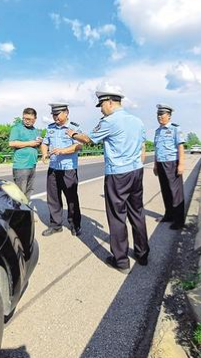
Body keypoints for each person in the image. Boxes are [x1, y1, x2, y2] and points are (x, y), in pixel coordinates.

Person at [68, 91, 149, 274]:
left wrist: (73, 133)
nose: (101, 110)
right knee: (137, 212)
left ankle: (121, 261)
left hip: (118, 175)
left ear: (110, 103)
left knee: (117, 216)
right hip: (136, 171)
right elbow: (142, 146)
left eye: (102, 105)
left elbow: (88, 139)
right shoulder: (137, 121)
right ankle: (142, 254)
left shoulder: (110, 121)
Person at [40, 103, 83, 237]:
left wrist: (63, 151)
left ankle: (75, 225)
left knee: (71, 198)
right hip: (53, 168)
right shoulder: (50, 128)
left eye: (57, 114)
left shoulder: (74, 128)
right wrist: (44, 153)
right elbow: (45, 142)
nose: (55, 117)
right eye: (53, 115)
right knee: (53, 198)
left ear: (66, 112)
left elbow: (79, 146)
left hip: (68, 168)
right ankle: (55, 225)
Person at [153, 104, 186, 230]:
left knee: (175, 192)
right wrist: (155, 165)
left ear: (169, 116)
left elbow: (180, 146)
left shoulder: (175, 129)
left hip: (172, 163)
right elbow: (157, 149)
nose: (159, 117)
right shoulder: (157, 131)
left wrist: (181, 164)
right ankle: (169, 215)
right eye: (158, 114)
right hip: (161, 163)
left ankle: (179, 221)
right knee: (165, 190)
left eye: (162, 114)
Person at [8, 107, 42, 200]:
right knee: (20, 193)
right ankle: (19, 209)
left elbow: (36, 144)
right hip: (21, 165)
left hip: (32, 164)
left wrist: (39, 143)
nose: (27, 121)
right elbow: (12, 143)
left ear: (35, 119)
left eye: (30, 119)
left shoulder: (35, 130)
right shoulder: (17, 128)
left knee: (29, 190)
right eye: (25, 118)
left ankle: (26, 207)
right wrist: (30, 143)